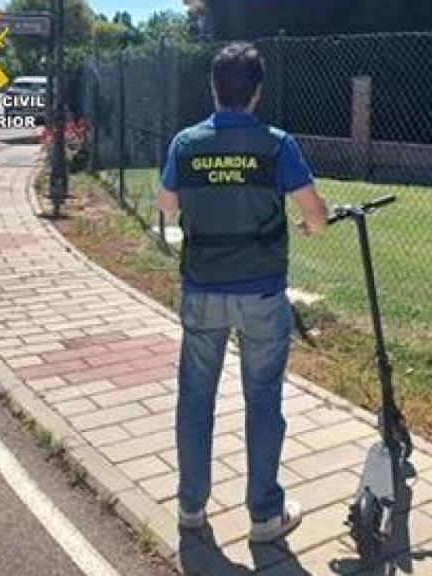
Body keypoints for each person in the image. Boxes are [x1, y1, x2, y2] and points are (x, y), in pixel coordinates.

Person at [157, 42, 328, 543]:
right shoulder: (277, 145)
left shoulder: (185, 144)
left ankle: (191, 507)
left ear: (214, 88)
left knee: (194, 400)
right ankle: (263, 517)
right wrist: (310, 224)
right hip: (261, 297)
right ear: (257, 93)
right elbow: (315, 214)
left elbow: (166, 206)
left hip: (203, 290)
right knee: (262, 401)